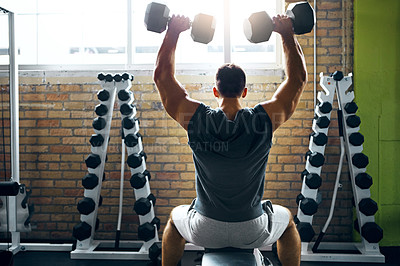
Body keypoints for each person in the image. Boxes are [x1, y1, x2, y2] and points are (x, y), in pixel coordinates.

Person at [153, 13, 307, 266]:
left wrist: (173, 31)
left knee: (174, 219)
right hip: (252, 229)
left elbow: (162, 77)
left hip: (205, 228)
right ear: (244, 91)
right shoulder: (265, 120)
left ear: (216, 90)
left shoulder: (195, 119)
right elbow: (297, 80)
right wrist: (286, 33)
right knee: (288, 222)